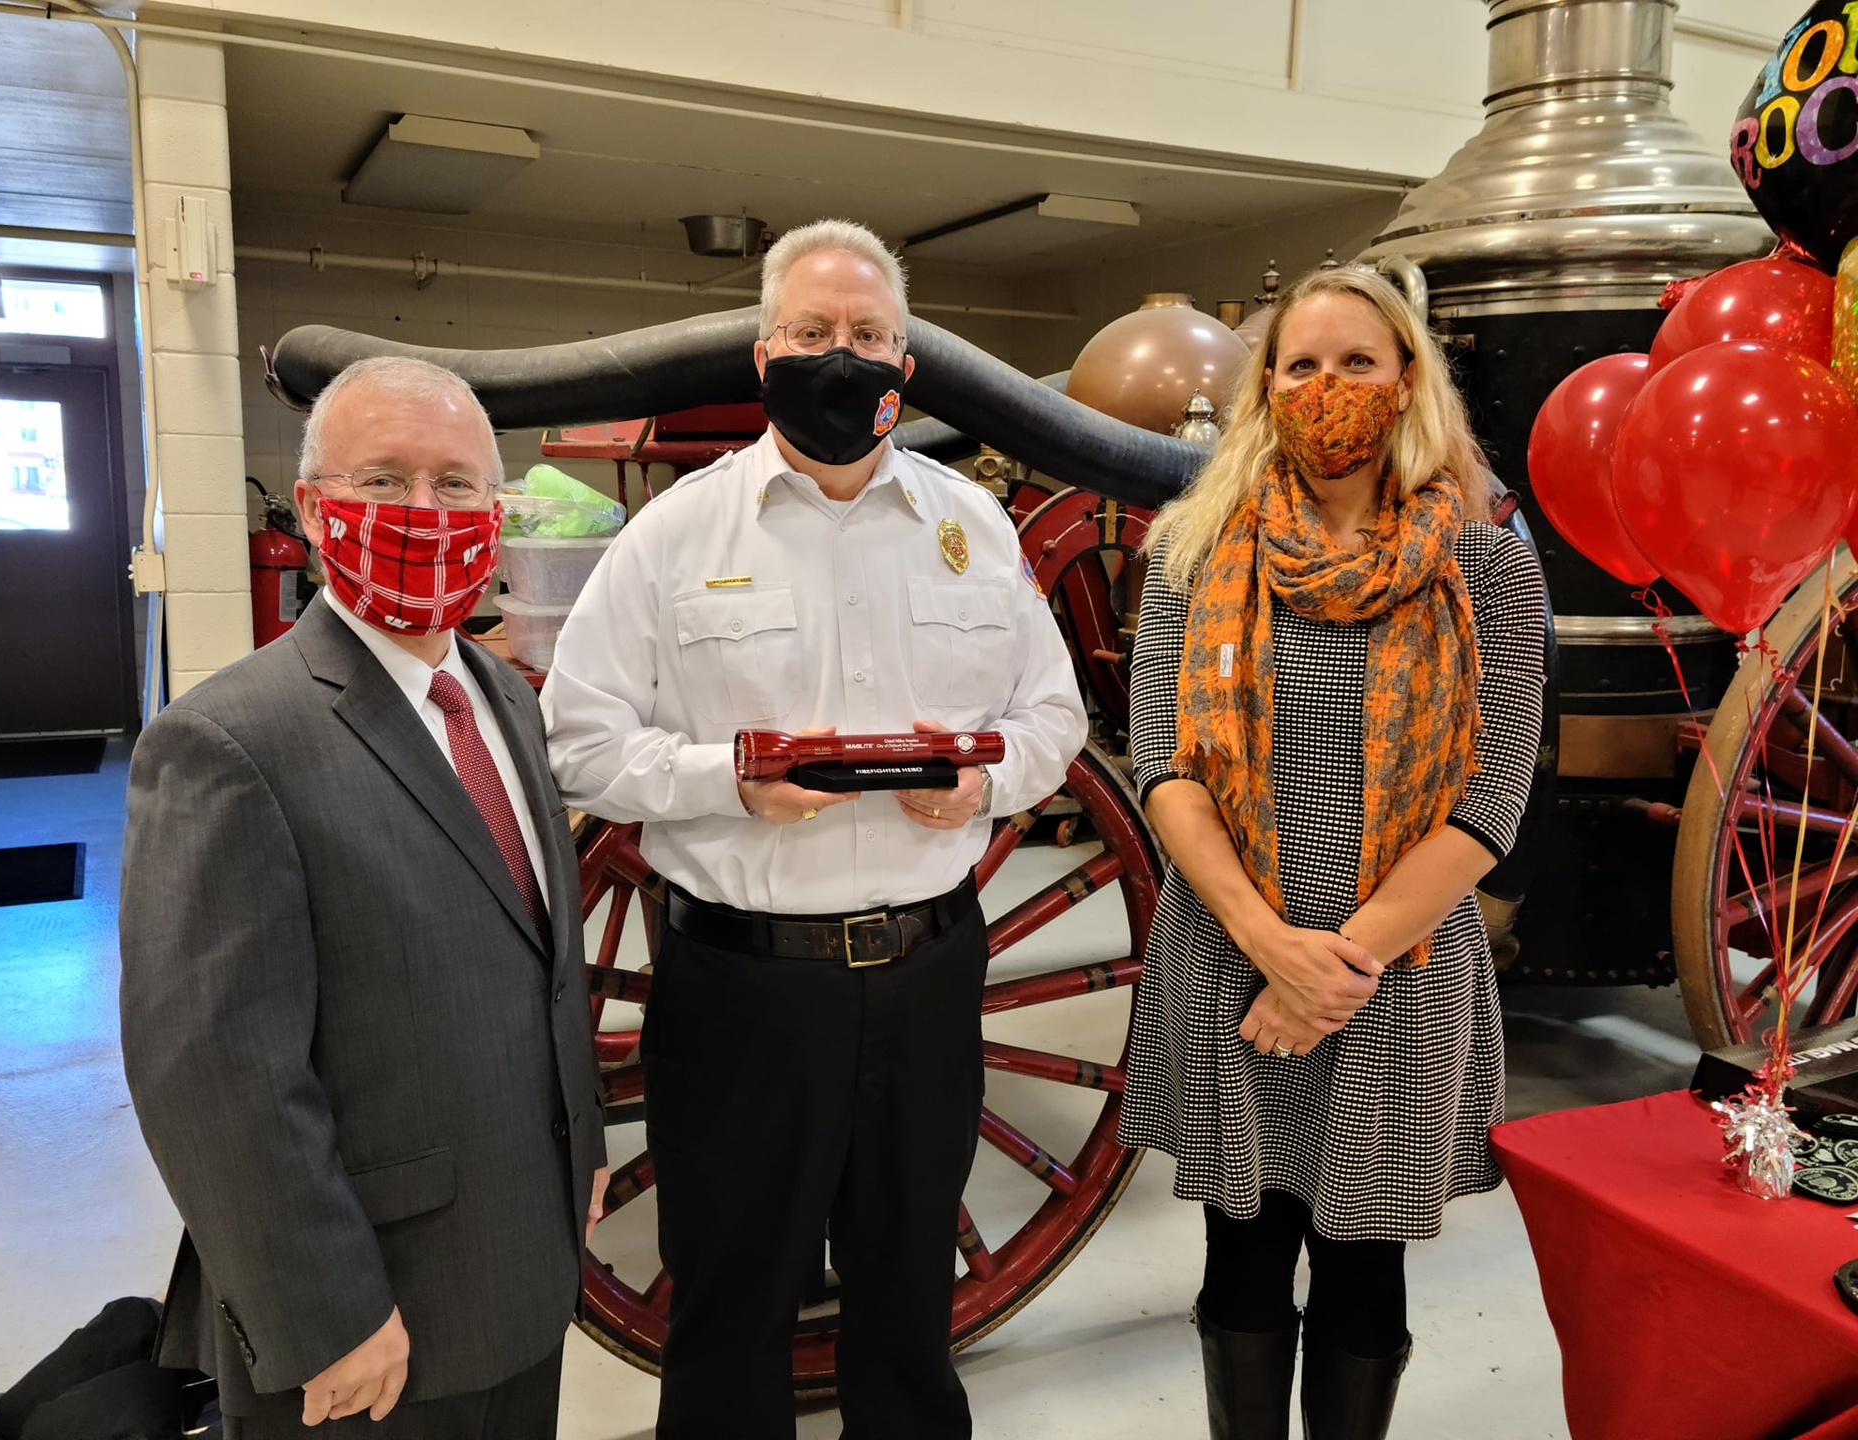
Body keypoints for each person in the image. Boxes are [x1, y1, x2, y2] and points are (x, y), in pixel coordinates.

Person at [540, 217, 1086, 1439]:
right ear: (762, 354)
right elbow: (579, 742)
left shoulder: (972, 530)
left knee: (907, 1305)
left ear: (905, 363)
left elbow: (1056, 715)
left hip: (927, 976)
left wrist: (987, 783)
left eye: (868, 336)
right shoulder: (677, 535)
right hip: (743, 988)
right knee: (729, 1313)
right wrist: (725, 779)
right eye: (811, 332)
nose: (840, 356)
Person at [118, 356, 609, 1440]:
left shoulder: (506, 706)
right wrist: (325, 1312)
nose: (425, 515)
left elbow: (542, 966)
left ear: (497, 510)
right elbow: (211, 1075)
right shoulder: (228, 743)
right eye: (384, 482)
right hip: (371, 1322)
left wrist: (584, 1155)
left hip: (523, 1272)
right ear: (312, 509)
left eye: (457, 484)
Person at [1117, 265, 1546, 1440]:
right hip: (1227, 966)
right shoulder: (1192, 553)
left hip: (1396, 981)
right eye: (1300, 364)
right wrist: (1270, 948)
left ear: (1408, 380)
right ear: (1267, 386)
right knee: (1240, 1260)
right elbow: (1162, 764)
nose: (1327, 388)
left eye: (1357, 362)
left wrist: (1330, 971)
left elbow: (1491, 798)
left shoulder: (1488, 566)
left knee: (1365, 1271)